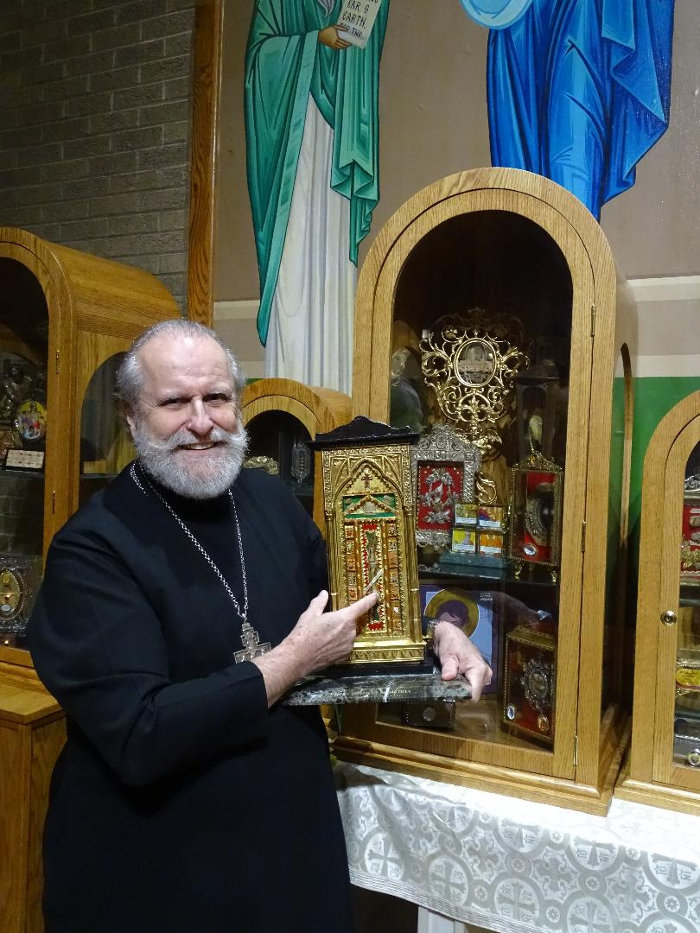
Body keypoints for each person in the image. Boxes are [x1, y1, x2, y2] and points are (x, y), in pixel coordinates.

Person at [29, 320, 491, 932]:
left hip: (286, 852)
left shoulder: (270, 502)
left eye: (217, 397)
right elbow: (141, 733)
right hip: (156, 872)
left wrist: (439, 633)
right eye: (175, 402)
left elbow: (358, 602)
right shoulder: (91, 550)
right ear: (129, 414)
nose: (202, 421)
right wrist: (289, 661)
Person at [244, 0, 389, 394]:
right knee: (291, 258)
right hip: (291, 138)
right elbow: (258, 60)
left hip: (338, 135)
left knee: (332, 257)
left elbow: (367, 37)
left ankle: (335, 392)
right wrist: (313, 41)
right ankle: (290, 394)